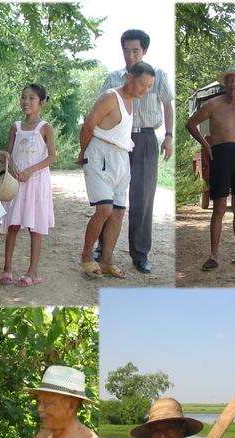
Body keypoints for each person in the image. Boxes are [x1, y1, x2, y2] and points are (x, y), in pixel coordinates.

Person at [95, 29, 174, 274]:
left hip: (146, 139)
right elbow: (99, 111)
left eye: (136, 50)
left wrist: (168, 136)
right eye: (126, 50)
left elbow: (168, 106)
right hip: (116, 140)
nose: (130, 55)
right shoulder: (113, 78)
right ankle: (102, 247)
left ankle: (140, 254)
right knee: (108, 197)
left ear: (145, 51)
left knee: (142, 198)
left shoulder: (158, 76)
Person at [77, 62, 156, 280]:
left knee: (119, 212)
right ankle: (86, 255)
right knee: (104, 210)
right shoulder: (110, 97)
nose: (145, 90)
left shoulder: (132, 102)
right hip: (100, 154)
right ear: (129, 77)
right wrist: (82, 153)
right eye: (142, 84)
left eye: (149, 86)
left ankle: (107, 260)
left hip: (122, 157)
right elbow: (88, 126)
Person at [186, 63, 235, 271]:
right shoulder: (213, 104)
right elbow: (191, 124)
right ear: (225, 83)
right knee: (219, 207)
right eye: (231, 79)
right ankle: (213, 256)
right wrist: (206, 145)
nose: (234, 83)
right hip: (219, 154)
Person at [0, 83, 55, 287]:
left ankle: (33, 271)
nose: (26, 102)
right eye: (23, 97)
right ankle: (7, 268)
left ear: (42, 102)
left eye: (31, 98)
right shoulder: (16, 127)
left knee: (35, 227)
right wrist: (12, 167)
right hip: (16, 183)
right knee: (13, 224)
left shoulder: (45, 128)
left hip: (36, 182)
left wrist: (31, 170)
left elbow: (52, 157)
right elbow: (8, 154)